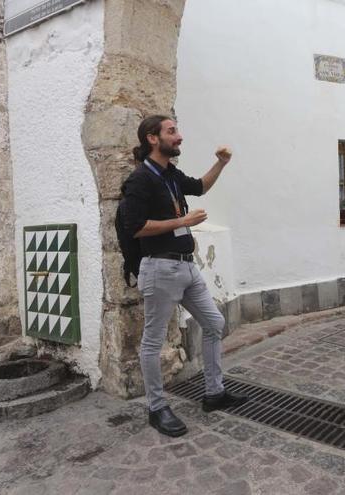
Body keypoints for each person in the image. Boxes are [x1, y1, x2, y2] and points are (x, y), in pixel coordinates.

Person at [121, 115, 248, 437]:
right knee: (153, 340)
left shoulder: (171, 174)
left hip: (186, 265)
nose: (179, 137)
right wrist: (183, 222)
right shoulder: (140, 180)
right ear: (153, 138)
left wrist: (220, 163)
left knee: (214, 324)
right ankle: (157, 407)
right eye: (172, 131)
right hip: (160, 267)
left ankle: (214, 392)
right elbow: (135, 227)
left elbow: (200, 187)